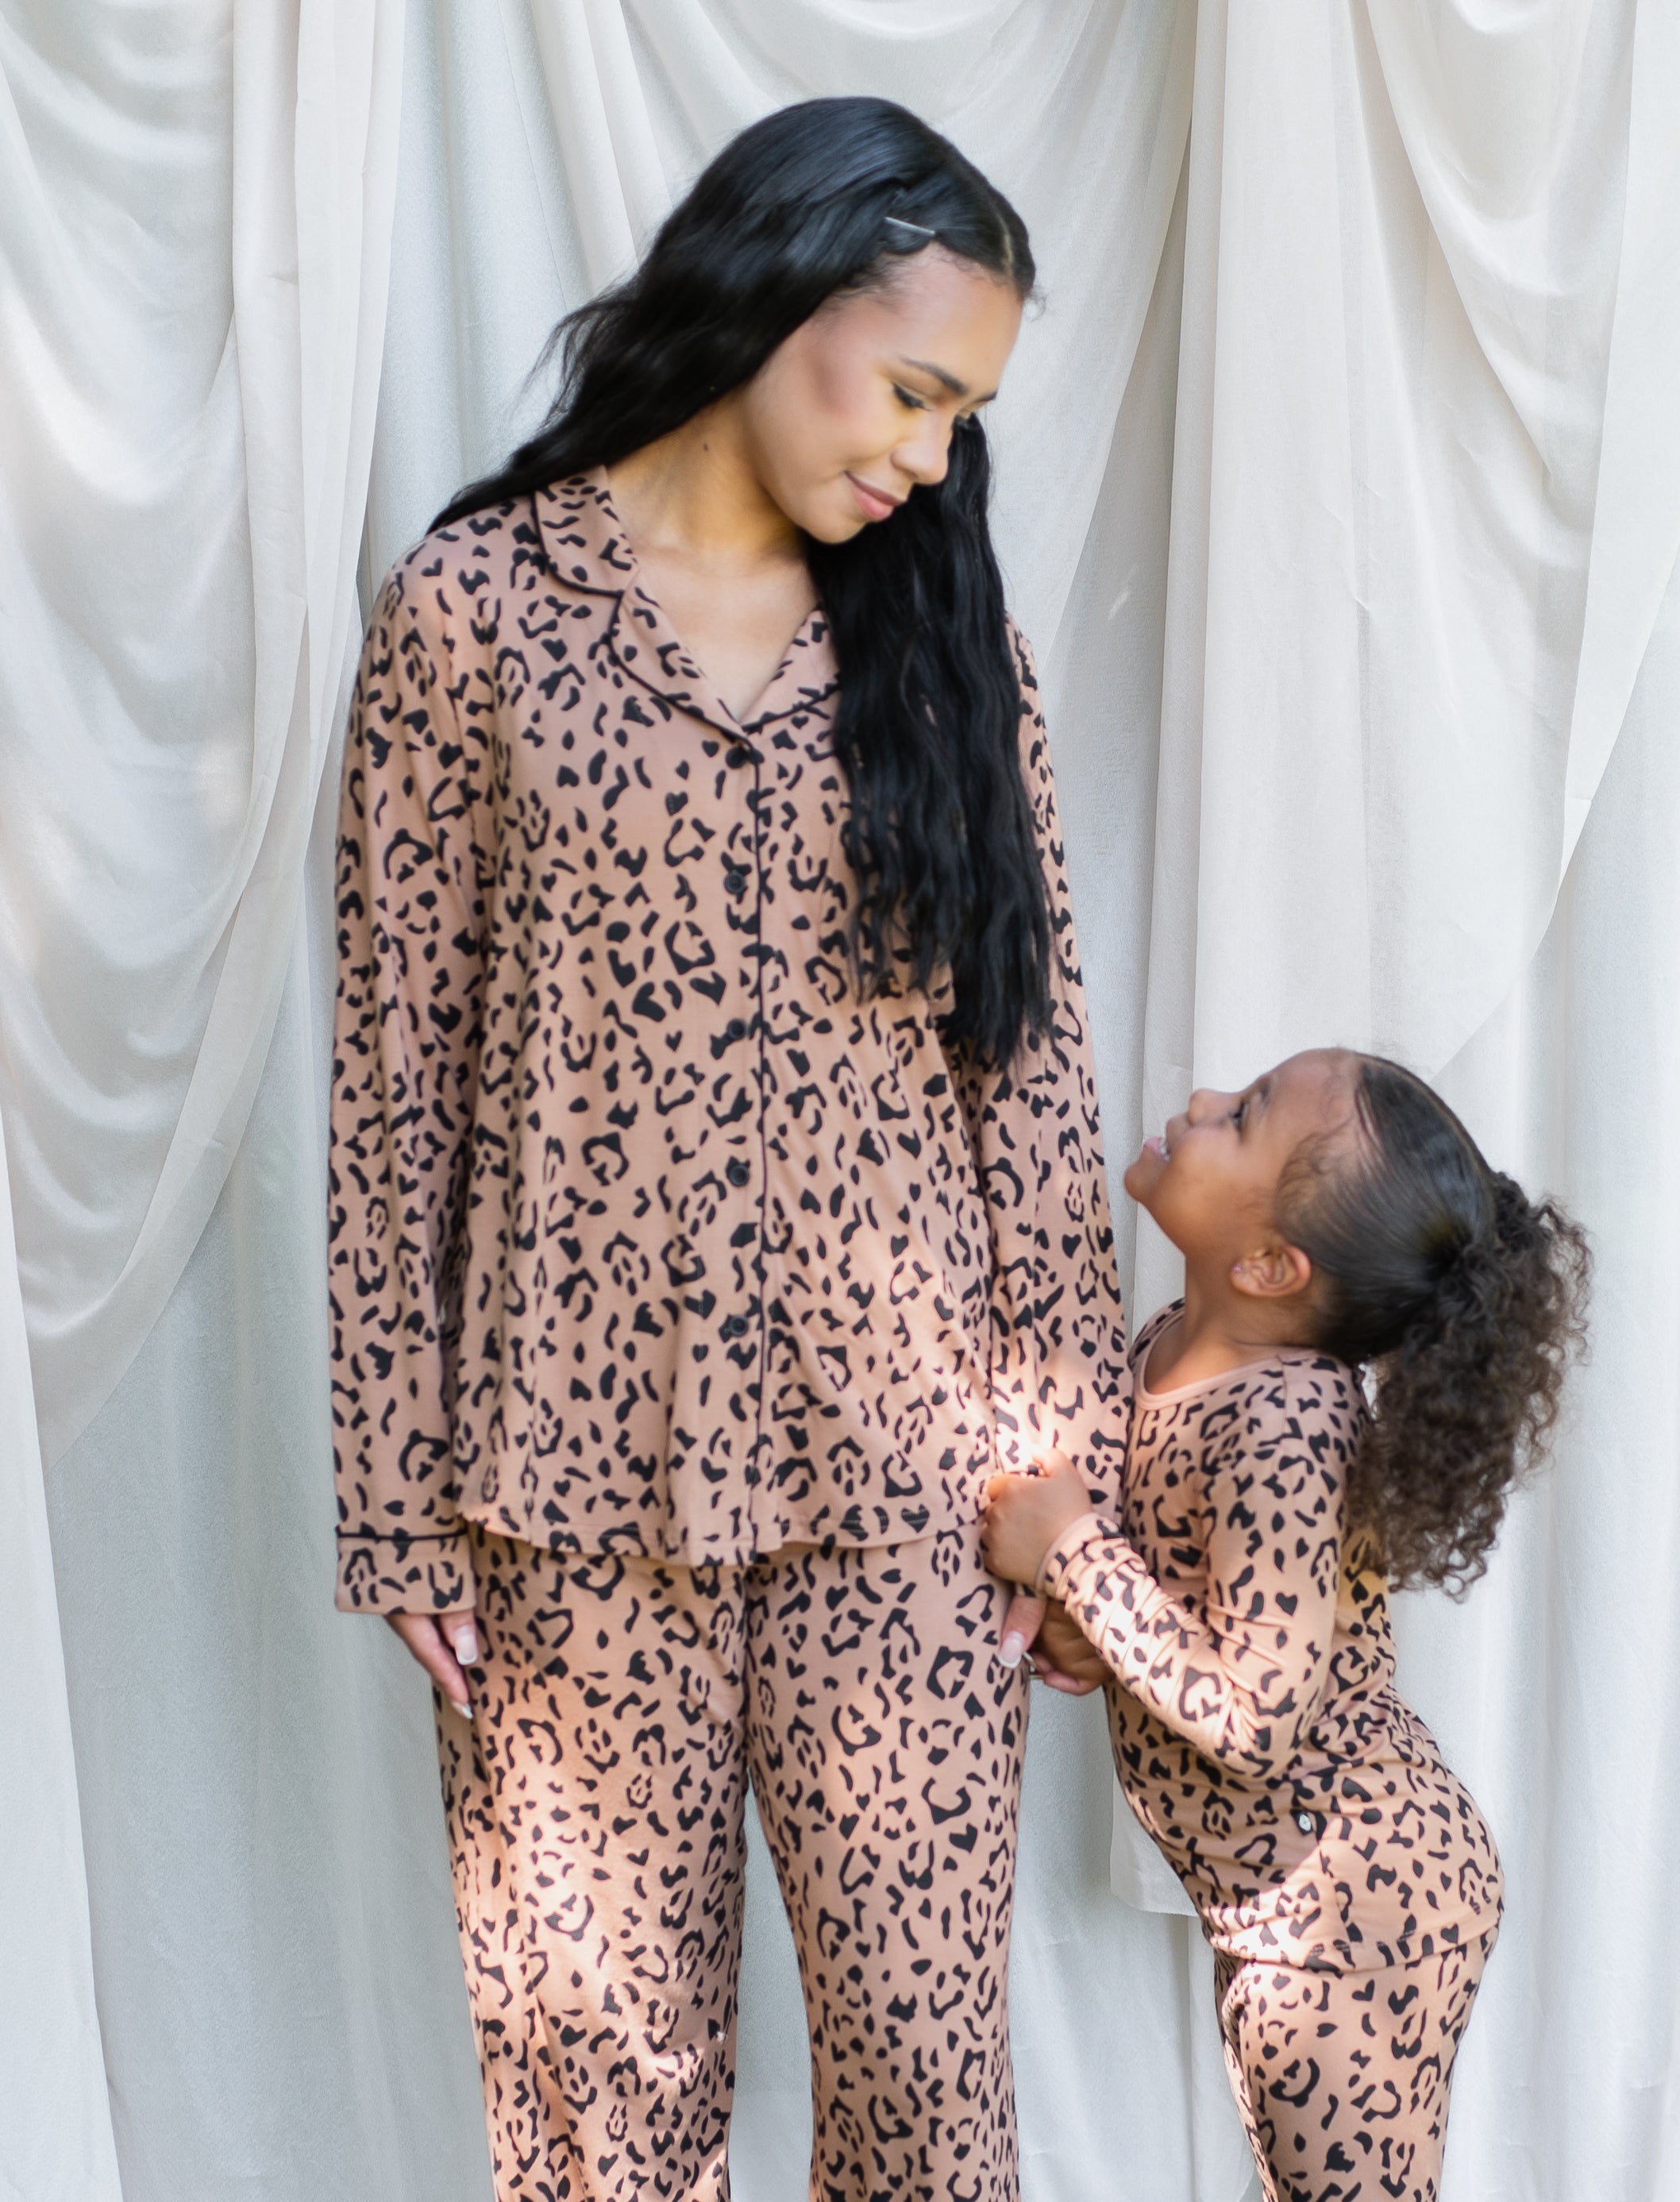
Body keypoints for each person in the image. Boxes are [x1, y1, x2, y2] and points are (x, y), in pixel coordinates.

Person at [329, 97, 1129, 2202]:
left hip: (914, 1502)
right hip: (558, 1501)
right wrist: (398, 1498)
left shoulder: (946, 651)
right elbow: (394, 1088)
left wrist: (1072, 1468)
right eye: (914, 388)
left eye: (967, 416)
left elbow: (1025, 1083)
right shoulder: (471, 619)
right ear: (779, 296)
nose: (933, 456)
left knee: (929, 2102)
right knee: (601, 2111)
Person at [984, 1048, 1590, 2202]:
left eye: (1243, 1114)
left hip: (1350, 1911)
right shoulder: (1170, 1343)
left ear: (1268, 1262)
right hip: (1292, 1907)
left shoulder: (1288, 1423)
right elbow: (1175, 1596)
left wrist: (1073, 1550)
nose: (1203, 1099)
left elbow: (1253, 1713)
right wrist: (1087, 1620)